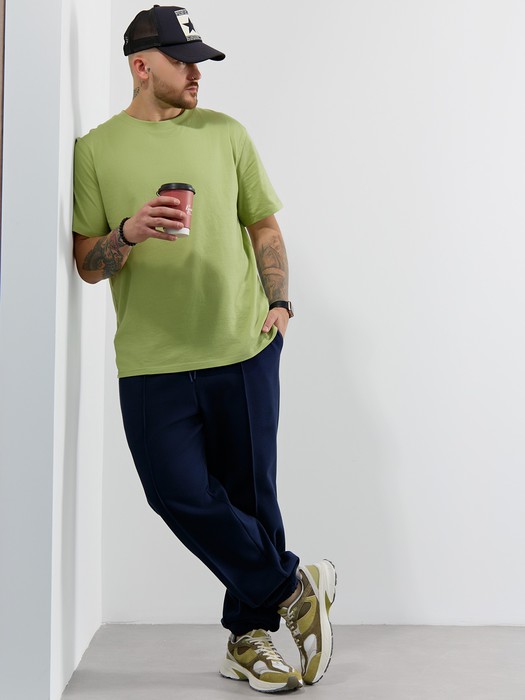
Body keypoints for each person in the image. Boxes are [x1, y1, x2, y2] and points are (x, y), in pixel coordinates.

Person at [73, 5, 336, 694]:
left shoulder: (226, 133)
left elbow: (263, 226)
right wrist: (128, 232)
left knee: (251, 500)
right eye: (183, 60)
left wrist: (279, 301)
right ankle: (293, 587)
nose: (196, 73)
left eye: (199, 61)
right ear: (141, 66)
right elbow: (87, 264)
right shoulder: (95, 151)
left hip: (242, 345)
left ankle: (248, 641)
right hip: (152, 359)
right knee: (175, 493)